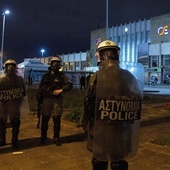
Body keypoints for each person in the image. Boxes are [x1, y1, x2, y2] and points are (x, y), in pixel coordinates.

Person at [83, 40, 143, 170]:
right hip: (100, 127)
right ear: (100, 56)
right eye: (106, 54)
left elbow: (135, 98)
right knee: (99, 161)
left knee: (119, 162)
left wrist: (120, 99)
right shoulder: (95, 78)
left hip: (120, 128)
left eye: (112, 54)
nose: (109, 57)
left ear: (117, 55)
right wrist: (86, 122)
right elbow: (88, 101)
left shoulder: (127, 76)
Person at [37, 56, 73, 146]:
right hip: (46, 100)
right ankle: (43, 137)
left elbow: (69, 84)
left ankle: (56, 137)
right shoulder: (46, 76)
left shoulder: (62, 76)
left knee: (56, 120)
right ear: (51, 64)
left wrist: (61, 90)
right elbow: (40, 89)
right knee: (44, 120)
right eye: (54, 63)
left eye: (57, 63)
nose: (55, 65)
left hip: (56, 100)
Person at [0, 59, 26, 149]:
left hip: (14, 104)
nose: (10, 69)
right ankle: (2, 139)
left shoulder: (19, 80)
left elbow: (23, 92)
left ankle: (14, 140)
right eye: (9, 67)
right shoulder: (1, 80)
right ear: (5, 68)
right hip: (3, 104)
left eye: (12, 67)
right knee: (1, 122)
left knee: (15, 122)